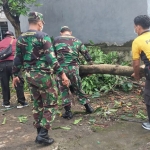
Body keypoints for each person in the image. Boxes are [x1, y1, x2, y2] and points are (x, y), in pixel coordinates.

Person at [12, 12, 69, 146]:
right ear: (39, 23)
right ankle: (43, 135)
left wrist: (15, 75)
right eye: (42, 23)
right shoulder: (43, 36)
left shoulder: (21, 38)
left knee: (37, 104)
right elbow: (51, 58)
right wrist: (62, 74)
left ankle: (39, 133)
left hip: (30, 76)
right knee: (51, 104)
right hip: (43, 76)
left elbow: (17, 58)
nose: (42, 26)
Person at [53, 26, 94, 119]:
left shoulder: (56, 40)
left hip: (61, 70)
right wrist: (91, 66)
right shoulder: (77, 40)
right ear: (70, 32)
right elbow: (87, 54)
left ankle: (68, 112)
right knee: (78, 88)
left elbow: (52, 55)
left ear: (61, 33)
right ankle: (88, 107)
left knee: (64, 90)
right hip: (74, 69)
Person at [0, 31, 28, 108]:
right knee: (18, 81)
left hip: (2, 65)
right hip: (13, 63)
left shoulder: (1, 42)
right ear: (12, 36)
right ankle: (21, 102)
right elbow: (22, 52)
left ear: (5, 36)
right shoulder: (16, 41)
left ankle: (6, 103)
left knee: (4, 83)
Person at [132, 15, 150, 130]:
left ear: (138, 27)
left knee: (148, 96)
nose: (134, 29)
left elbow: (136, 64)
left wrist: (137, 75)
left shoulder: (137, 41)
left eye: (134, 26)